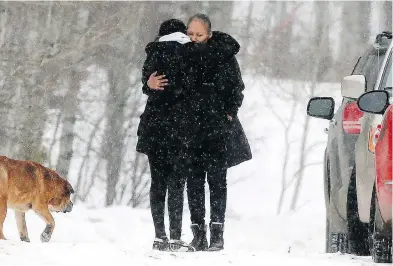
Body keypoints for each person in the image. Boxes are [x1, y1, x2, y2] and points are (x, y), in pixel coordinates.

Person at [146, 14, 252, 252]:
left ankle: (217, 234)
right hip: (189, 128)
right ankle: (198, 234)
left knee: (217, 181)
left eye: (199, 35)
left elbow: (237, 88)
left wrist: (228, 113)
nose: (194, 39)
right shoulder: (183, 54)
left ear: (209, 34)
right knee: (193, 182)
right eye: (190, 34)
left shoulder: (224, 56)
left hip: (216, 128)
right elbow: (165, 83)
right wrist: (149, 83)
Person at [136, 18, 196, 252]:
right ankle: (175, 236)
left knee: (158, 182)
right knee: (177, 183)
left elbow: (146, 84)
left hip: (156, 127)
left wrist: (149, 84)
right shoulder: (191, 53)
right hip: (182, 128)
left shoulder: (155, 51)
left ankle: (159, 236)